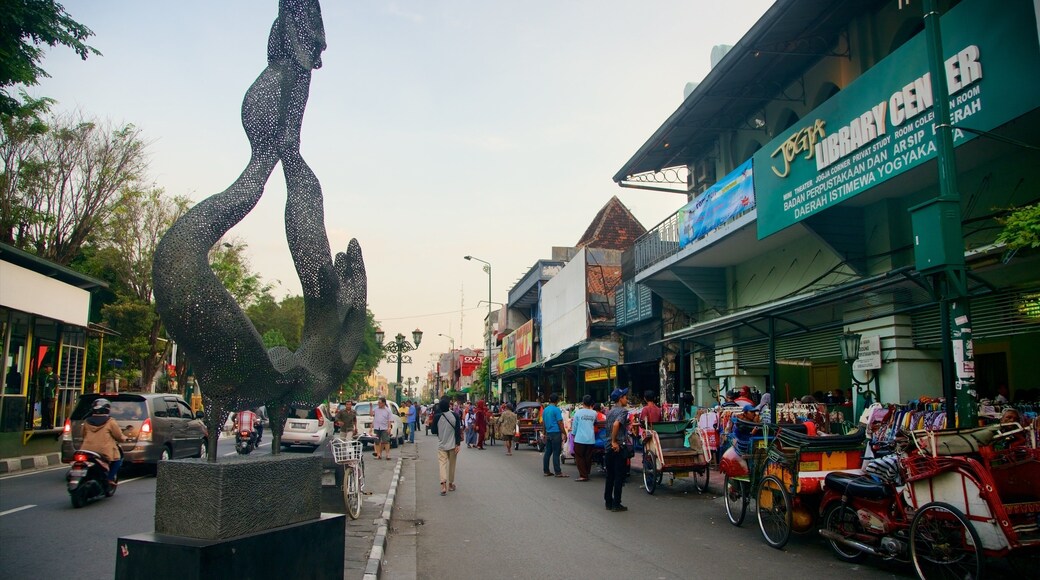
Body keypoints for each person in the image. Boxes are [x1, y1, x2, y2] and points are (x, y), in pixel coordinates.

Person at [79, 398, 127, 487]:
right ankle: (109, 478)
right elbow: (119, 436)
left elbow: (83, 434)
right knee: (118, 460)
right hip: (104, 451)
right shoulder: (110, 422)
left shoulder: (86, 421)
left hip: (86, 450)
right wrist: (125, 438)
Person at [604, 388, 631, 512]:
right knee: (619, 476)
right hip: (617, 447)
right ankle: (616, 504)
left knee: (610, 476)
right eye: (625, 397)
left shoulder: (609, 411)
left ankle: (608, 501)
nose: (627, 399)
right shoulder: (623, 411)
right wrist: (615, 441)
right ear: (620, 398)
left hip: (608, 447)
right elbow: (616, 424)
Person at [432, 397, 461, 495]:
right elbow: (457, 431)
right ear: (449, 406)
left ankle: (443, 485)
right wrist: (458, 444)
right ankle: (451, 484)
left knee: (442, 465)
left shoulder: (437, 417)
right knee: (452, 465)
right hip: (453, 445)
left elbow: (433, 431)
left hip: (441, 445)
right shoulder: (455, 416)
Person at [571, 395, 597, 482]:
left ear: (583, 403)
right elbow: (595, 424)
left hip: (580, 438)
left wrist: (573, 434)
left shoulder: (578, 413)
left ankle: (583, 475)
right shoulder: (594, 413)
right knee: (588, 456)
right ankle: (587, 472)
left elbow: (574, 426)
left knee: (579, 456)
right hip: (590, 439)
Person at [542, 392, 567, 477]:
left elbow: (544, 423)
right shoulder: (556, 410)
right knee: (556, 452)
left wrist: (544, 433)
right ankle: (558, 472)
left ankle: (546, 471)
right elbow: (560, 422)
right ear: (557, 401)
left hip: (548, 433)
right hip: (556, 433)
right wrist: (564, 432)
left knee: (548, 452)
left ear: (549, 400)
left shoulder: (545, 410)